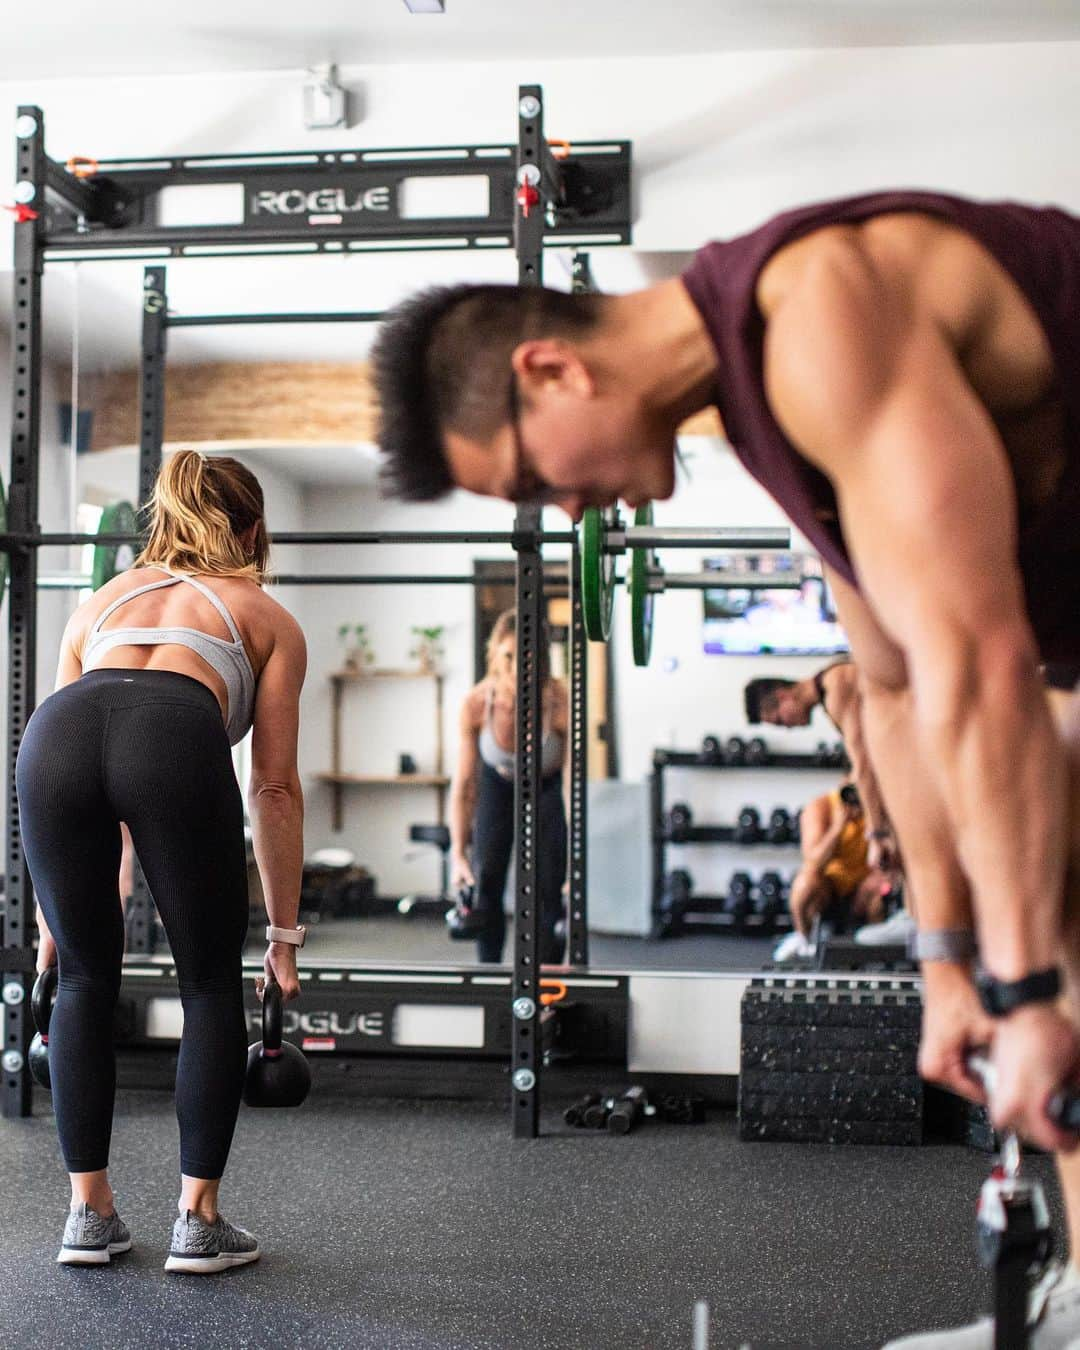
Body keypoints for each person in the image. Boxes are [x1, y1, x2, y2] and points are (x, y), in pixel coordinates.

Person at [373, 189, 1080, 1346]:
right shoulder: (767, 413)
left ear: (552, 371)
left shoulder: (818, 316)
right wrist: (949, 959)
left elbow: (982, 664)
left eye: (531, 485)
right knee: (1054, 883)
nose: (563, 512)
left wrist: (1024, 992)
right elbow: (893, 684)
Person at [17, 451, 307, 1273]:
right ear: (254, 530)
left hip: (54, 739)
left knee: (80, 977)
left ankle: (89, 1214)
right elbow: (275, 789)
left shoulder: (100, 603)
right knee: (209, 984)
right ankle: (197, 1221)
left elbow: (91, 766)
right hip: (175, 736)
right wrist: (283, 934)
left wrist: (54, 922)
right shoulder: (266, 616)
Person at [745, 660, 913, 949]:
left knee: (910, 844)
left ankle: (916, 919)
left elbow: (864, 763)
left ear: (784, 696)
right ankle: (914, 916)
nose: (788, 728)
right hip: (909, 762)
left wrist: (877, 833)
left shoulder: (836, 689)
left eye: (781, 721)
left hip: (917, 757)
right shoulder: (833, 685)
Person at [448, 608, 568, 964]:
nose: (518, 665)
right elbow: (464, 786)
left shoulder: (559, 700)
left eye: (527, 655)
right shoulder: (475, 703)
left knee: (548, 889)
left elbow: (576, 784)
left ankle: (546, 983)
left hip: (546, 788)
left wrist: (574, 858)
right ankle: (489, 976)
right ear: (495, 656)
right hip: (495, 787)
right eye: (509, 656)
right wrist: (457, 853)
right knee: (486, 884)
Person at [773, 781, 894, 963]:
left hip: (863, 887)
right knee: (805, 881)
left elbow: (885, 862)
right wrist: (837, 828)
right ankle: (802, 937)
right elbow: (813, 862)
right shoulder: (821, 807)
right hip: (828, 886)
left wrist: (873, 824)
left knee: (882, 884)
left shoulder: (877, 808)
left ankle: (877, 951)